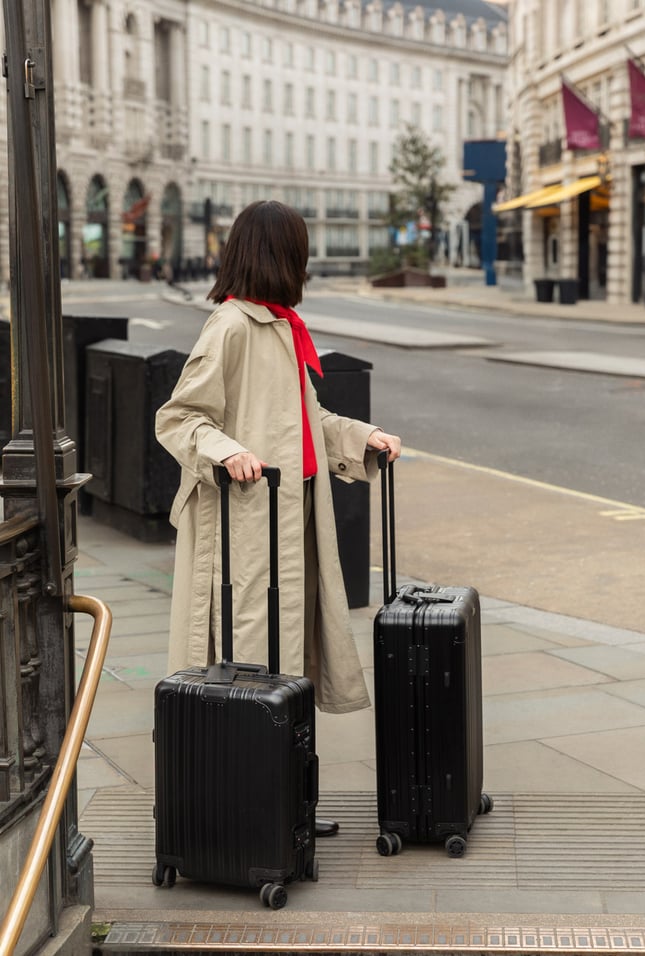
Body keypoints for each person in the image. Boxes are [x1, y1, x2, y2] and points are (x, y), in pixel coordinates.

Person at [155, 200, 401, 836]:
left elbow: (307, 422)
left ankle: (285, 808)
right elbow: (179, 418)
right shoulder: (232, 326)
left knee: (289, 663)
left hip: (293, 524)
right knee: (252, 663)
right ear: (280, 255)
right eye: (300, 249)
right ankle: (249, 815)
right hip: (247, 530)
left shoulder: (282, 327)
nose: (306, 261)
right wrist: (226, 452)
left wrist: (361, 438)